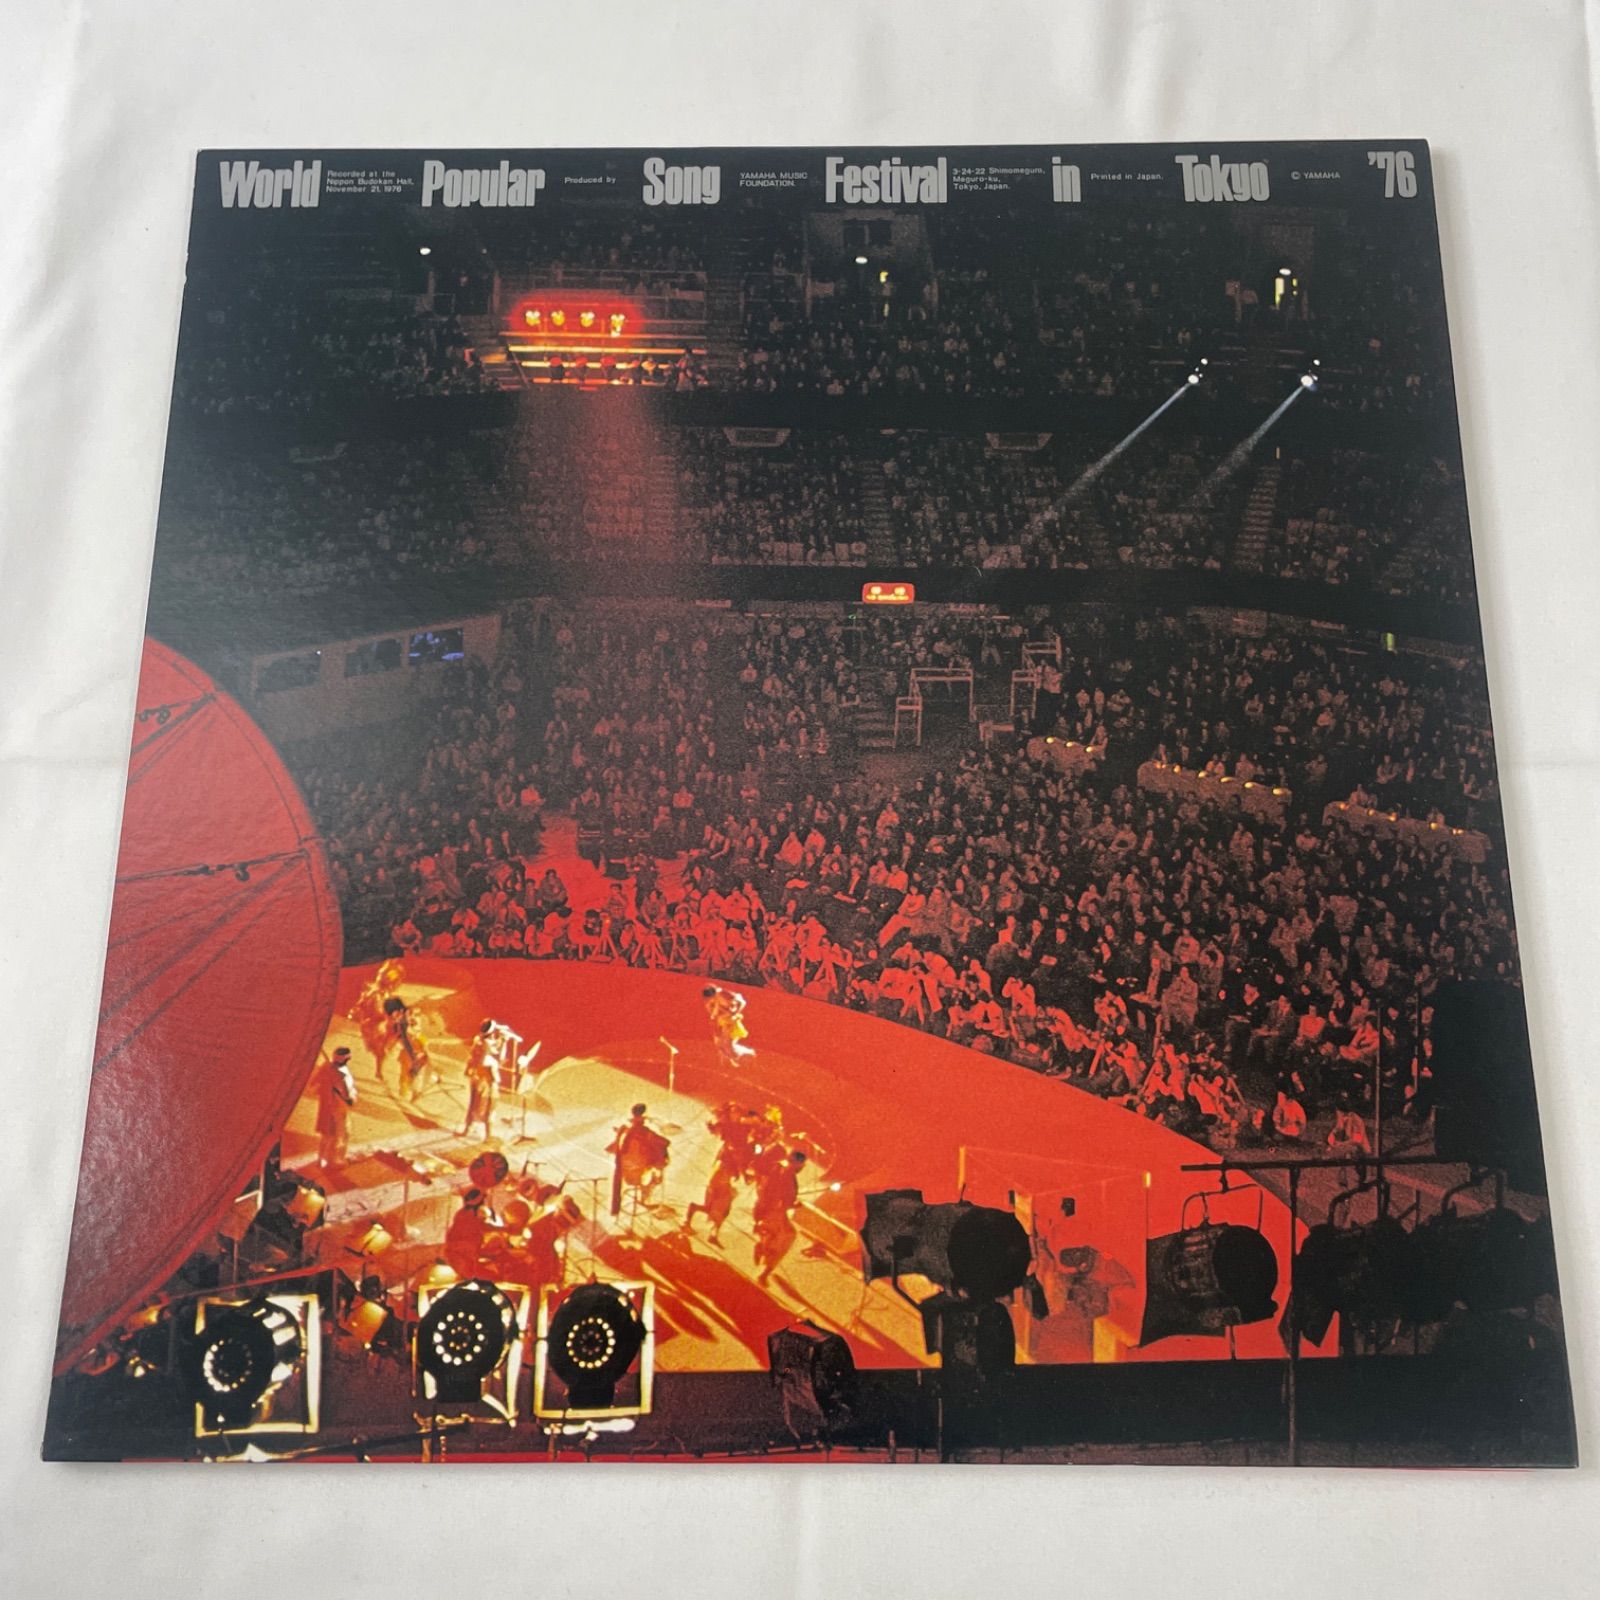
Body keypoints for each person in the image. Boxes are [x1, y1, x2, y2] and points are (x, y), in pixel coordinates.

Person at [752, 1149, 806, 1286]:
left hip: (762, 1209)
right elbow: (783, 1201)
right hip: (773, 1213)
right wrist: (795, 1205)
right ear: (797, 1163)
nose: (803, 1167)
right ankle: (763, 1273)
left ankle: (763, 1247)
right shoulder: (788, 1176)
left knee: (778, 1238)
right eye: (802, 1164)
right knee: (786, 1239)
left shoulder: (776, 1168)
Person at [608, 1103, 671, 1215]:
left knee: (647, 1162)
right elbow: (665, 1142)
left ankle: (643, 1195)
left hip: (626, 1172)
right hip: (638, 1175)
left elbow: (614, 1148)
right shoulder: (645, 1132)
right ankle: (645, 1197)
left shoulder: (625, 1131)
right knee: (656, 1167)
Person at [313, 1045, 357, 1170]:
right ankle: (335, 1160)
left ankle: (322, 1160)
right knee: (339, 1134)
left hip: (329, 1107)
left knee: (328, 1135)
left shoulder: (327, 1068)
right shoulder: (338, 1073)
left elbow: (314, 1085)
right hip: (336, 1108)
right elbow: (344, 1093)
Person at [462, 1020, 501, 1141]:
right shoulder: (487, 1043)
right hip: (487, 1077)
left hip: (477, 1076)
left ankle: (468, 1128)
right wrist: (503, 1041)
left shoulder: (478, 1040)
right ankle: (488, 1135)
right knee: (489, 1104)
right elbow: (498, 1053)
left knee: (473, 1103)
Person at [703, 984, 754, 1067]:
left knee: (726, 1044)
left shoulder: (724, 995)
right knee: (720, 1044)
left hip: (729, 1021)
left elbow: (742, 1002)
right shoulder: (714, 999)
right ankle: (729, 1061)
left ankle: (747, 1053)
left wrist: (734, 1012)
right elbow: (714, 1012)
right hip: (722, 1021)